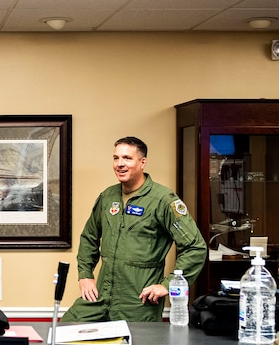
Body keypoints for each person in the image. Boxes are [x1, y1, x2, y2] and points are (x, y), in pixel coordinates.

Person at [62, 136, 206, 322]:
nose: (120, 164)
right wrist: (85, 275)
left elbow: (195, 247)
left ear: (142, 162)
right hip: (101, 297)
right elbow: (89, 237)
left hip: (138, 303)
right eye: (116, 158)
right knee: (65, 331)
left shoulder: (162, 200)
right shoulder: (108, 197)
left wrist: (167, 285)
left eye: (127, 158)